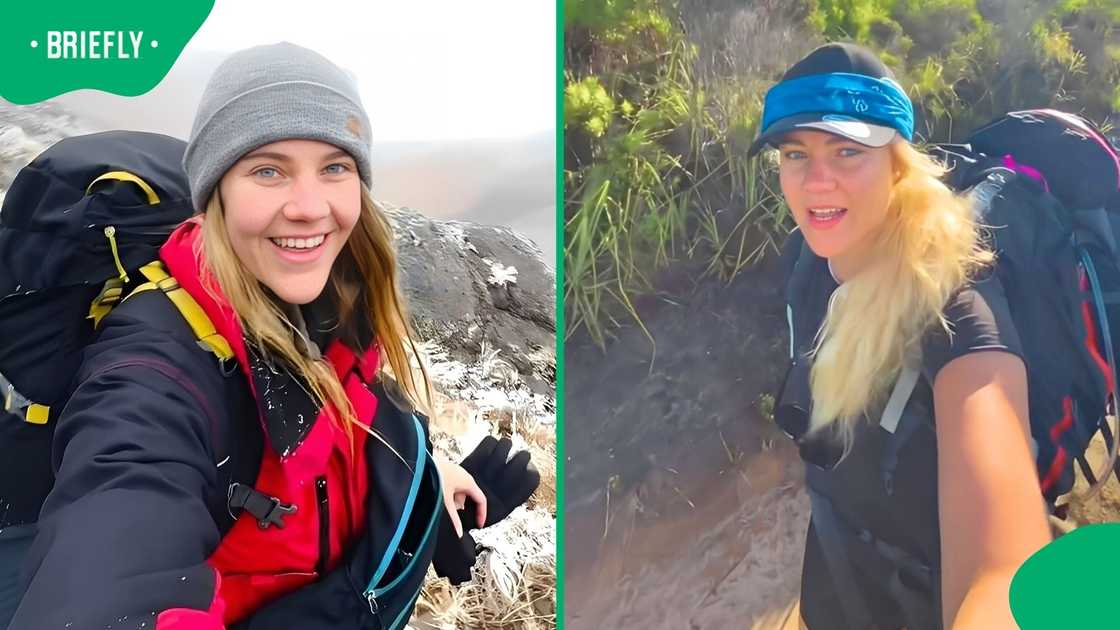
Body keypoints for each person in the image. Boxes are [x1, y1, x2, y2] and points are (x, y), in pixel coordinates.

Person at [8, 42, 536, 629]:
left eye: (335, 166)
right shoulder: (151, 377)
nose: (310, 207)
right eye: (267, 169)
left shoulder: (328, 308)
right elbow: (112, 558)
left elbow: (337, 444)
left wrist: (420, 493)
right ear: (215, 194)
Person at [752, 43, 1052, 629]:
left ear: (897, 163)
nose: (817, 182)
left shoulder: (960, 315)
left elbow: (1004, 575)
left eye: (847, 151)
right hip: (840, 575)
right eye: (795, 154)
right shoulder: (810, 261)